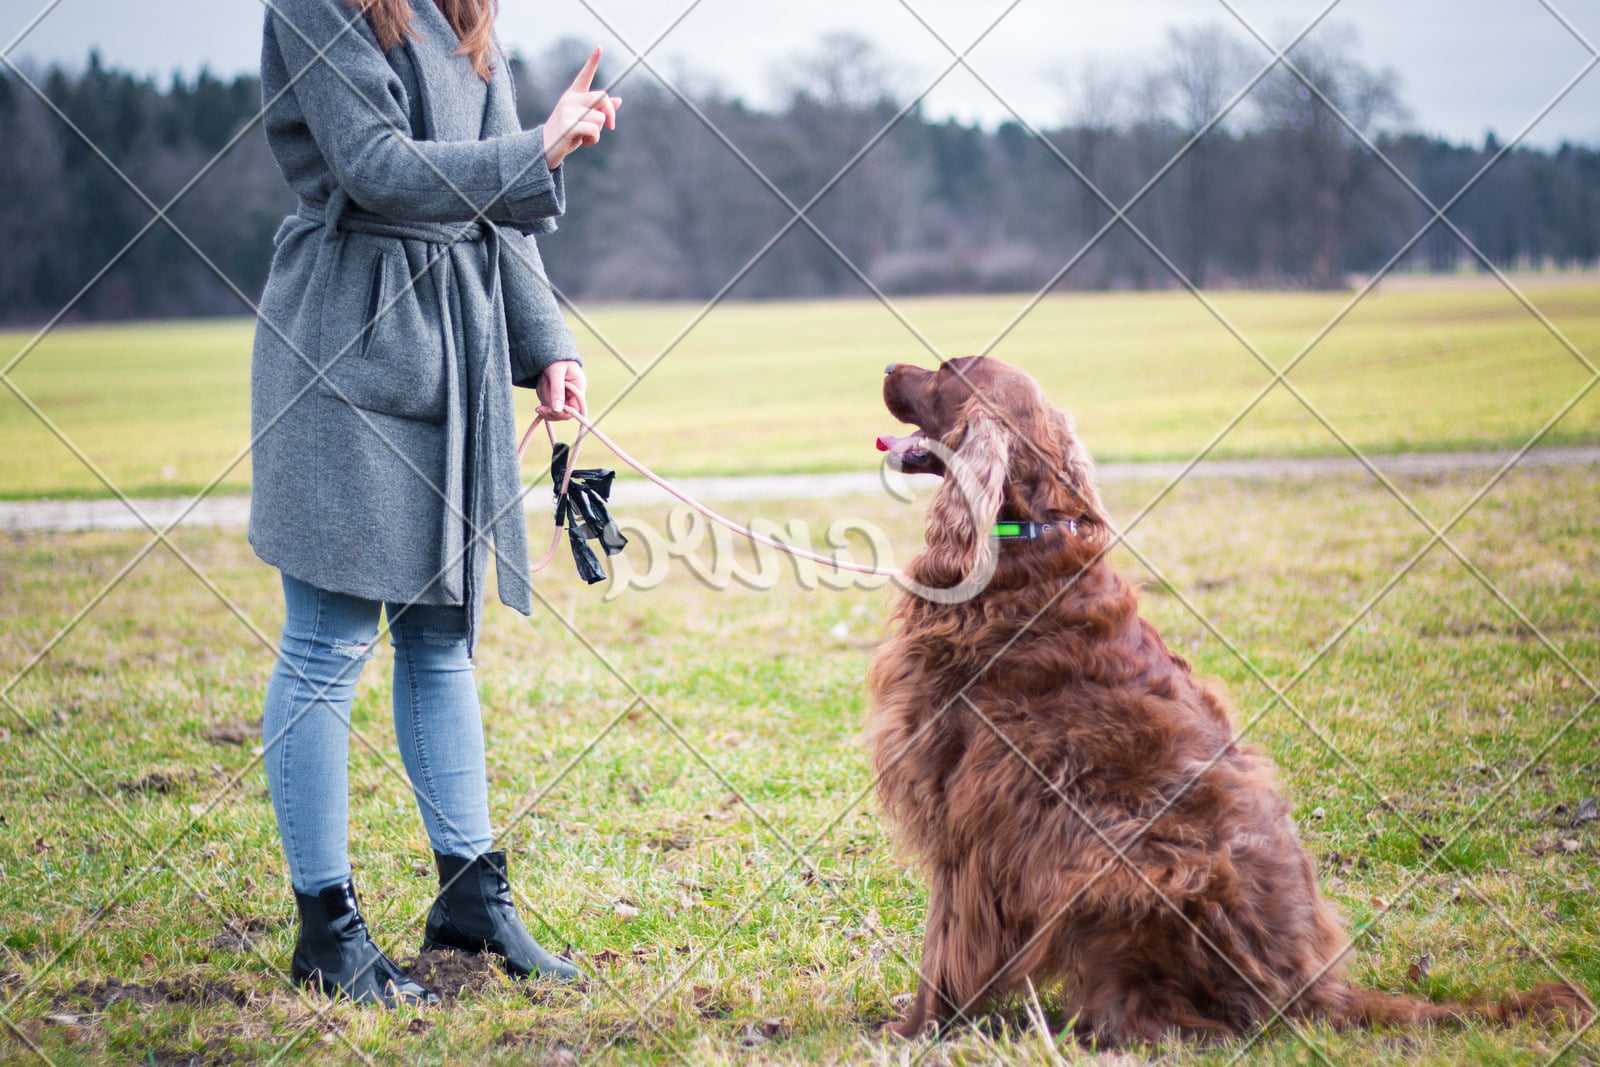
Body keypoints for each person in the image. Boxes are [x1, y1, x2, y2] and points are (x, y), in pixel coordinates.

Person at [250, 0, 620, 1006]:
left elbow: (497, 207)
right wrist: (536, 144)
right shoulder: (312, 5)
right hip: (342, 339)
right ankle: (326, 928)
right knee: (327, 637)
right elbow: (374, 167)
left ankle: (469, 897)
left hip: (457, 345)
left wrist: (550, 347)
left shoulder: (466, 14)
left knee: (442, 634)